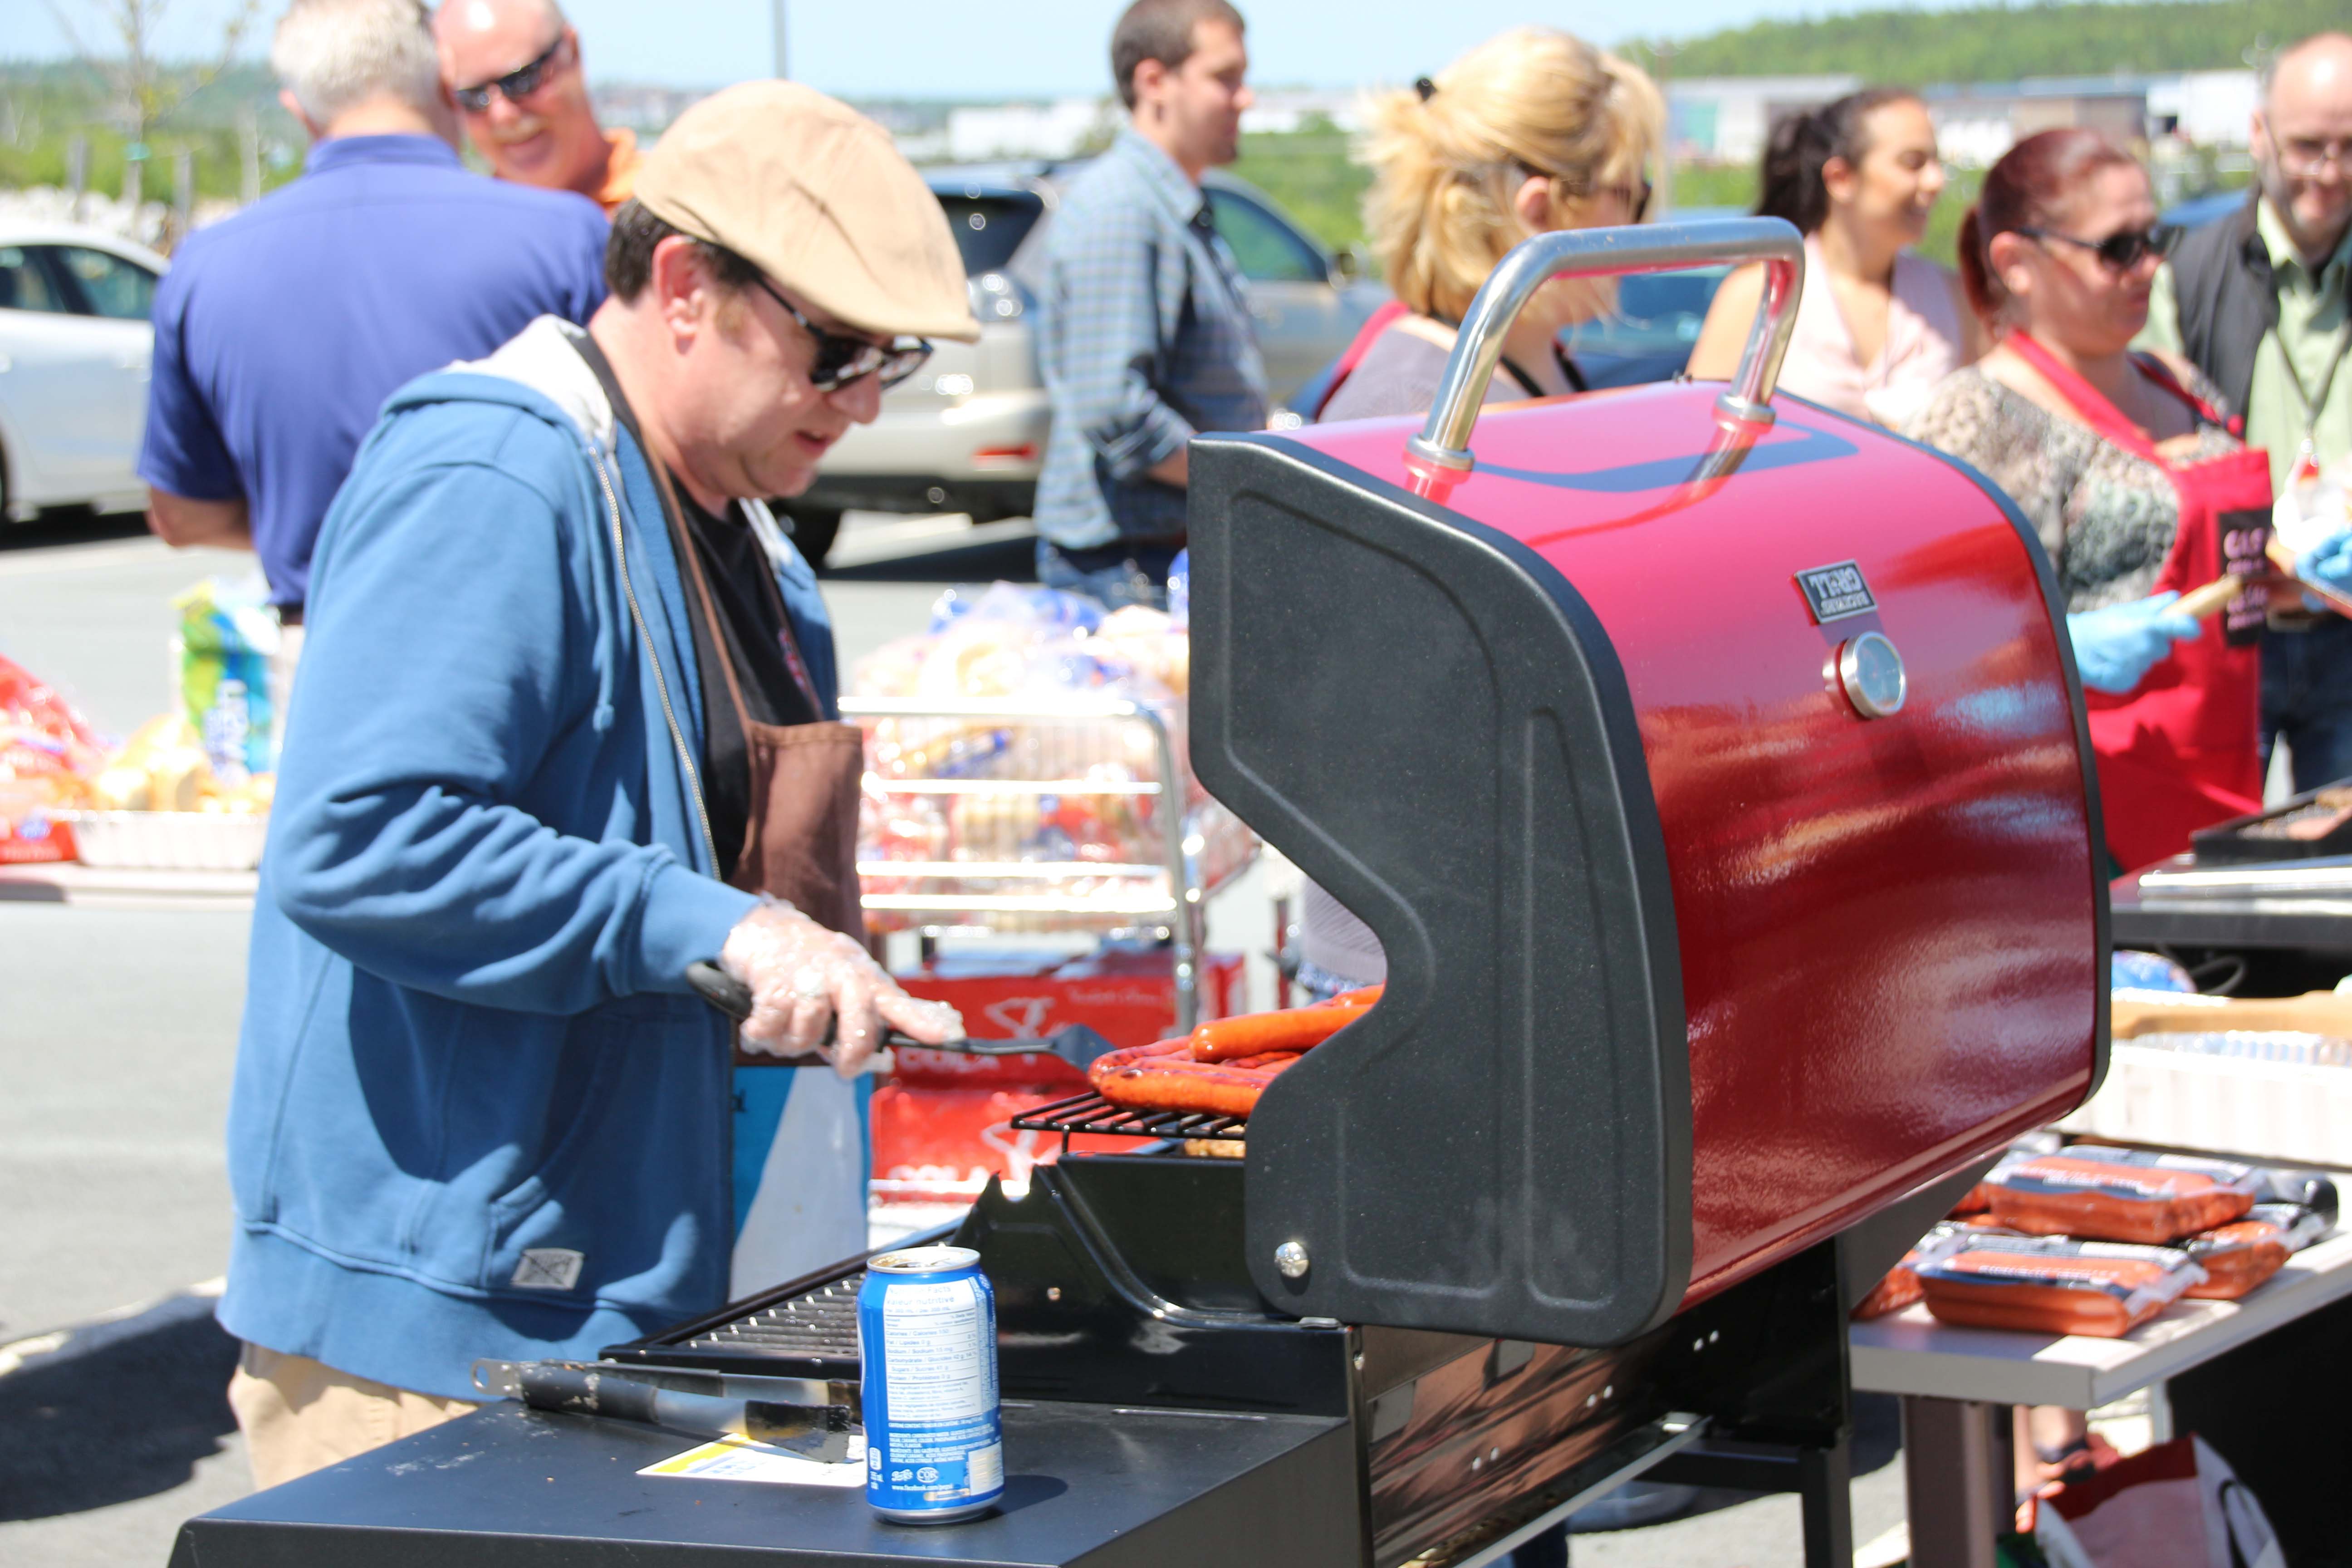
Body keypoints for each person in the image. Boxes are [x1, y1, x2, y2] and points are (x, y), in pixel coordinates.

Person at [217, 80, 974, 1489]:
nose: (865, 402)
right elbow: (362, 839)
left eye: (895, 360)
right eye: (841, 350)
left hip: (635, 1313)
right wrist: (721, 929)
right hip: (439, 1352)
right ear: (686, 286)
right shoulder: (500, 469)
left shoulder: (748, 533)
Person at [1301, 27, 1661, 1020]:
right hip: (1414, 966)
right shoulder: (1425, 403)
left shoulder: (1525, 367)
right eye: (1634, 194)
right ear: (1543, 207)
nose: (1645, 225)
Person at [139, 0, 607, 723]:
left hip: (322, 672)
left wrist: (323, 517)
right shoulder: (566, 237)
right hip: (535, 667)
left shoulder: (202, 269)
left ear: (300, 112)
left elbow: (180, 514)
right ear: (443, 84)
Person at [1905, 129, 2277, 872]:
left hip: (2218, 795)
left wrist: (2293, 571)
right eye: (2116, 248)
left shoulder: (2177, 382)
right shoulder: (1975, 419)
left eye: (2154, 237)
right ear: (2015, 262)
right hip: (2078, 837)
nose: (2149, 265)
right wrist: (2060, 654)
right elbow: (1929, 650)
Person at [2139, 33, 2352, 793]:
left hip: (2345, 626)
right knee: (2226, 878)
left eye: (2348, 148)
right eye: (2306, 147)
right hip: (2235, 627)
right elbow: (2147, 442)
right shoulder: (2185, 271)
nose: (2327, 174)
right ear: (2258, 135)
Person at [1033, 0, 1267, 609]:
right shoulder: (1125, 211)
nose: (1245, 99)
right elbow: (1115, 408)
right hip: (1130, 567)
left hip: (1159, 554)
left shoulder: (1169, 205)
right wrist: (1248, 479)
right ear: (1155, 82)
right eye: (1225, 77)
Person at [1689, 88, 1982, 427]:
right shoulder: (1761, 294)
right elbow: (1696, 429)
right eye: (1913, 163)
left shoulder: (1955, 296)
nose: (1935, 181)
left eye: (1937, 163)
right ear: (1841, 179)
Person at [433, 0, 640, 212]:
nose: (502, 115)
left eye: (521, 80)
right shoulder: (464, 227)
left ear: (573, 52)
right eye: (472, 96)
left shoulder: (663, 206)